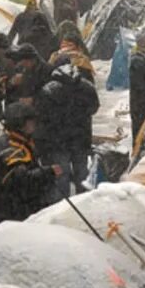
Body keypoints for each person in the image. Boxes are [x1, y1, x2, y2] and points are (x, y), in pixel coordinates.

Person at [0, 102, 61, 228]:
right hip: (11, 215)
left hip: (11, 212)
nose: (34, 124)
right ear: (20, 124)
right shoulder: (10, 148)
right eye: (30, 121)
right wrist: (47, 172)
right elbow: (21, 180)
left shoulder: (19, 141)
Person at [35, 61, 100, 199]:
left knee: (61, 175)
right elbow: (94, 107)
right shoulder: (87, 86)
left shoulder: (48, 90)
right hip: (80, 139)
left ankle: (62, 206)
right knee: (82, 173)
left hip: (58, 142)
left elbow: (41, 117)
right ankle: (84, 202)